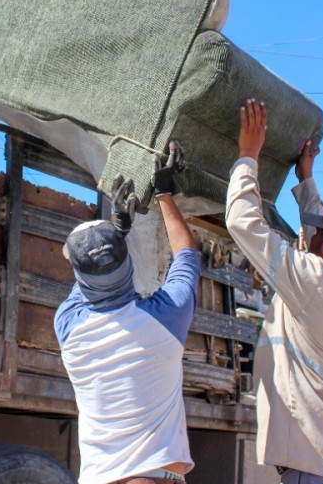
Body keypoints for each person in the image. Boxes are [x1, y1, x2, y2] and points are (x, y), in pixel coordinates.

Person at [225, 99, 323, 484]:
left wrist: (247, 156)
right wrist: (307, 181)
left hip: (317, 470)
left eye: (322, 236)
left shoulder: (318, 284)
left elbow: (242, 221)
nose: (309, 239)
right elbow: (321, 242)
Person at [54, 142, 200, 484]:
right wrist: (164, 192)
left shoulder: (68, 327)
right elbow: (188, 253)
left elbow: (89, 283)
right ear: (129, 262)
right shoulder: (164, 319)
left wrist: (116, 231)